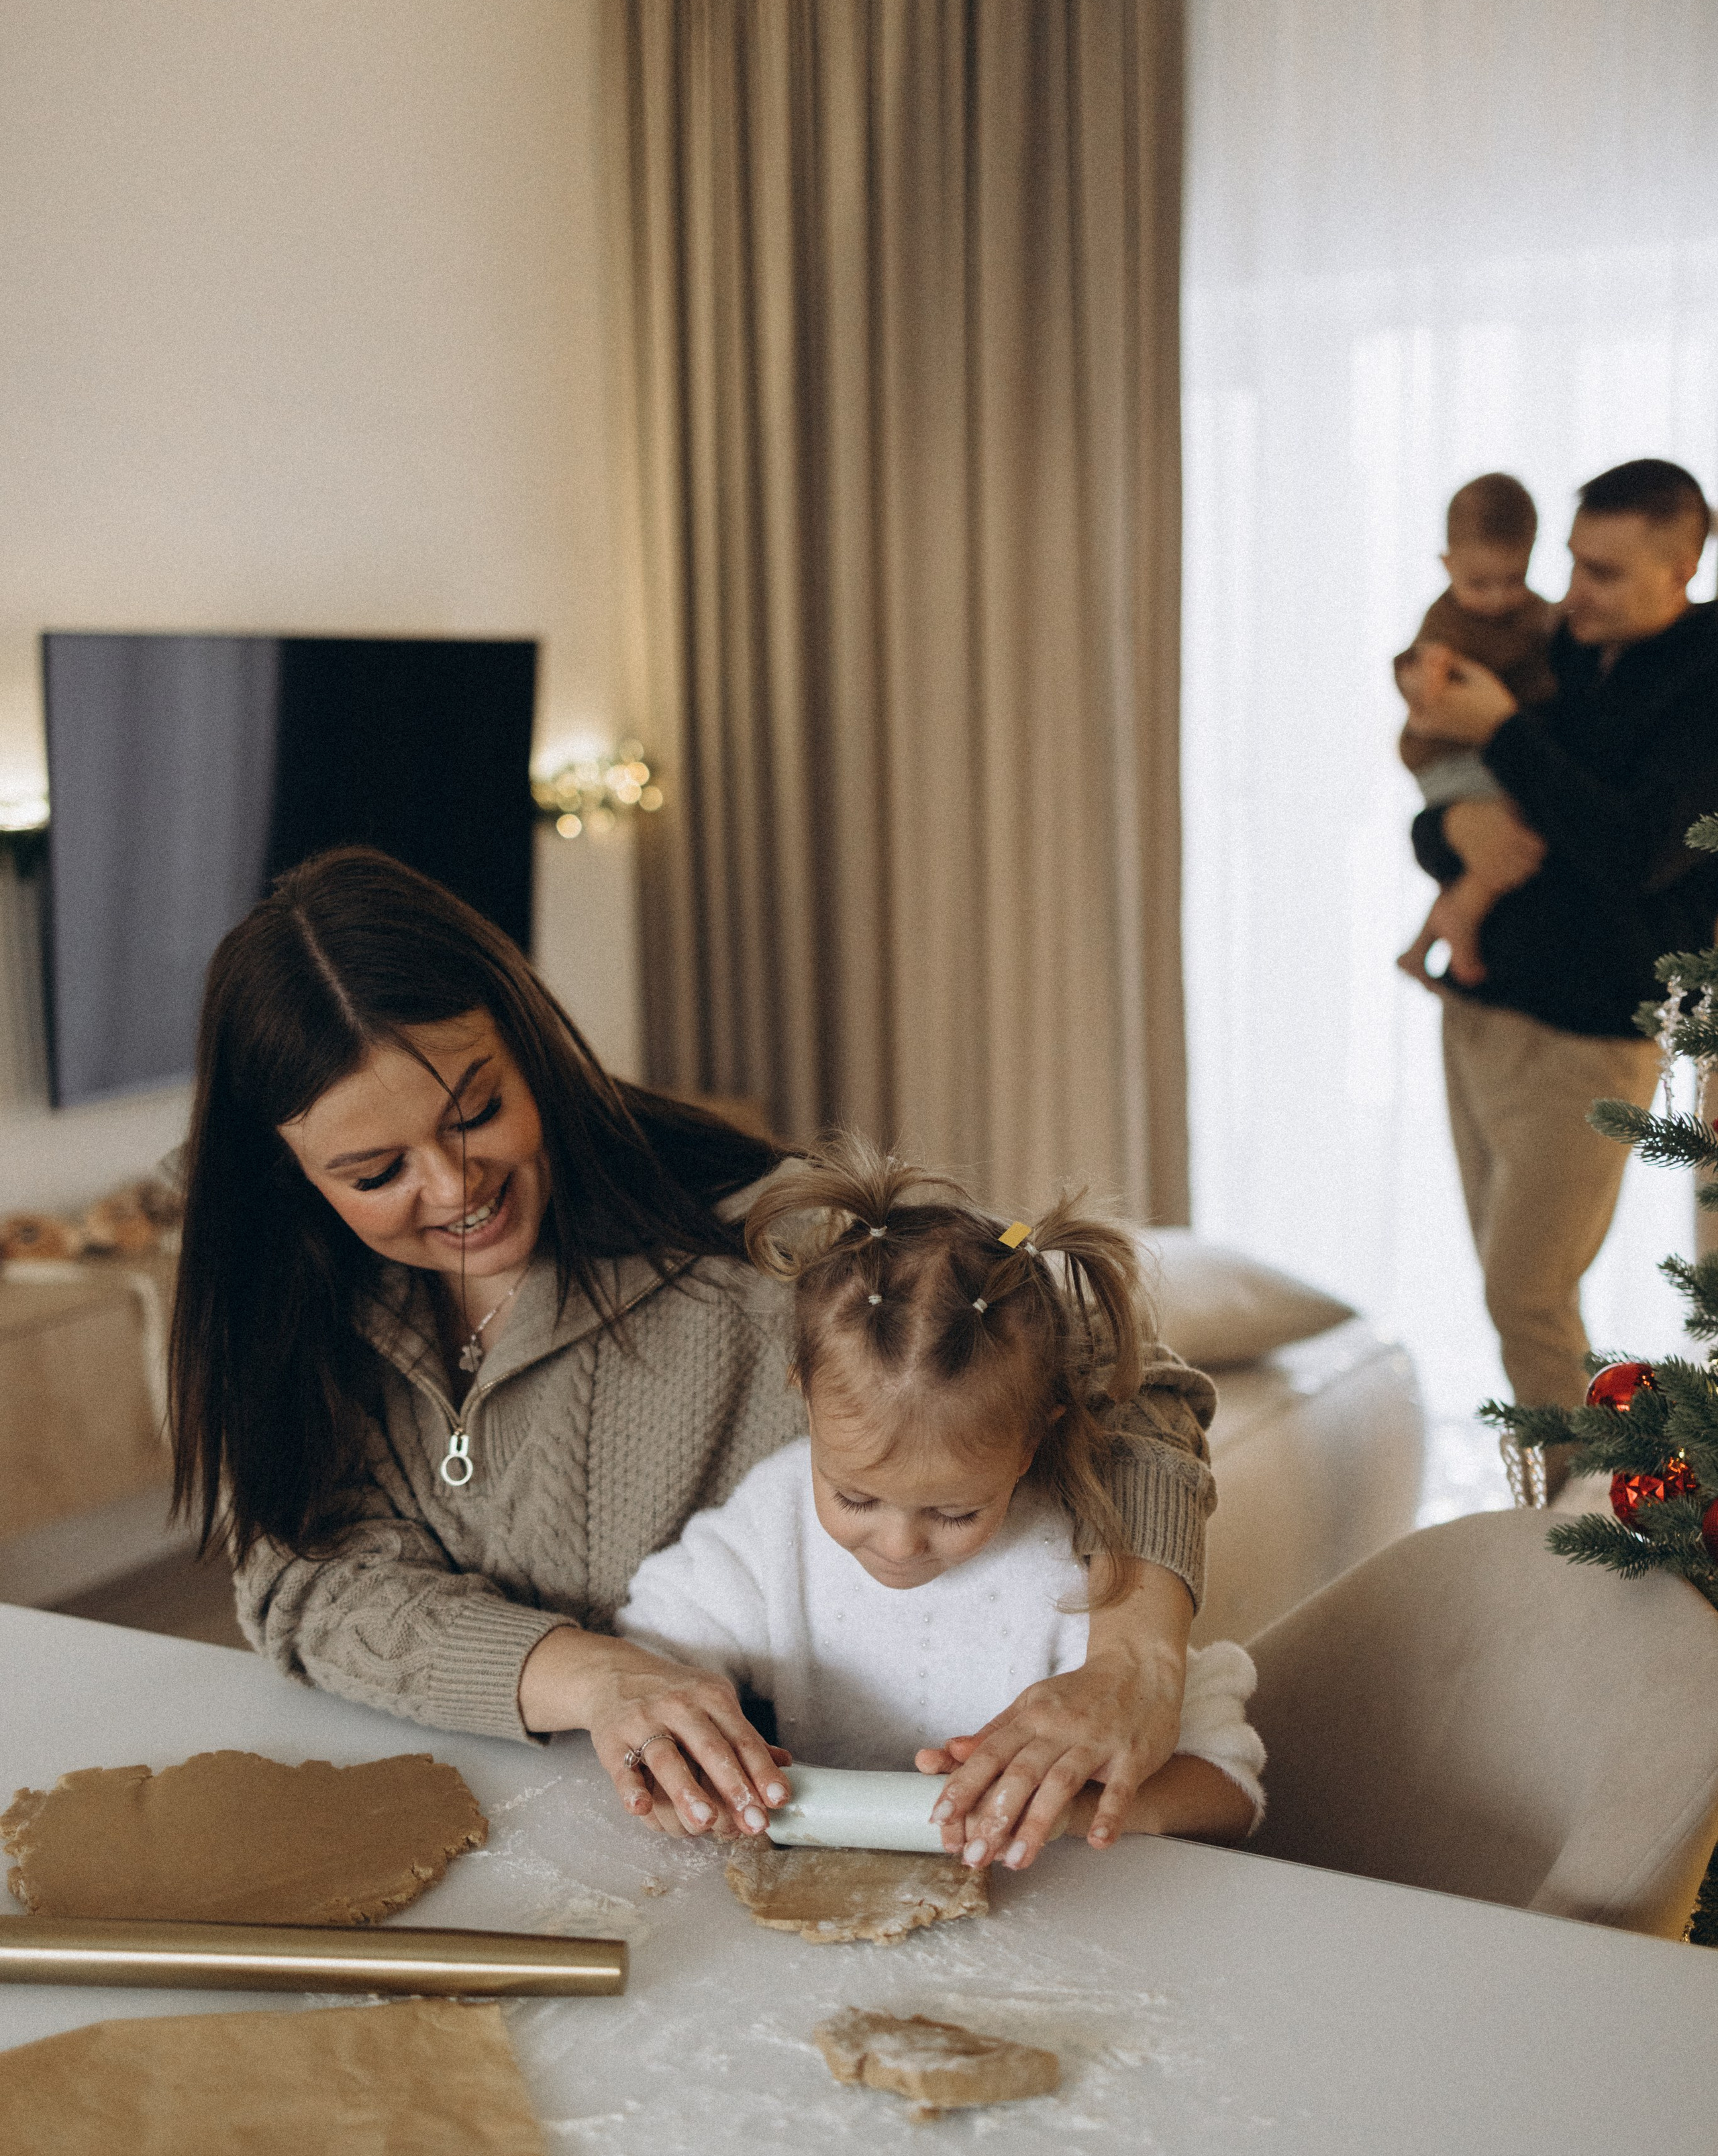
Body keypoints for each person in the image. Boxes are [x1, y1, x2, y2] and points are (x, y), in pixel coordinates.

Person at [171, 847, 1218, 1867]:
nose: (452, 1189)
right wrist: (593, 1677)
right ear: (289, 1177)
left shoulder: (757, 1247)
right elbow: (306, 1587)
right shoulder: (290, 1315)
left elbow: (1127, 1382)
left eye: (479, 1111)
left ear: (531, 1045)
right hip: (467, 1815)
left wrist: (1137, 1653)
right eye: (375, 1171)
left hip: (723, 1850)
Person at [621, 1139, 1263, 1863]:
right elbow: (644, 1658)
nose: (898, 1545)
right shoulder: (773, 1521)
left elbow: (1227, 1791)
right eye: (854, 1496)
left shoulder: (1091, 1559)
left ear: (1030, 1442)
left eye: (955, 1513)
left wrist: (1069, 1809)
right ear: (805, 1399)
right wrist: (677, 1749)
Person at [1398, 458, 1718, 1470]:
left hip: (1593, 1036)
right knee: (1518, 1297)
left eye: (1605, 573)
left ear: (1684, 566)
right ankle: (1587, 1511)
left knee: (1524, 1293)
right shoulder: (1567, 656)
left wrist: (1499, 731)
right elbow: (1444, 821)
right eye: (1573, 563)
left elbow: (1638, 851)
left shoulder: (1706, 678)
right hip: (1483, 1008)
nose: (1571, 592)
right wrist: (1454, 826)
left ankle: (1608, 1509)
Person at [1395, 472, 1560, 988]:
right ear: (1448, 565)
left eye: (1513, 580)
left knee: (1507, 833)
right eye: (1479, 584)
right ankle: (1461, 923)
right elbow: (1408, 669)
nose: (1497, 598)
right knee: (1515, 830)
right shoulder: (1444, 622)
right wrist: (1425, 677)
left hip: (1489, 753)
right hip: (1447, 757)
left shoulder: (1536, 613)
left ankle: (1421, 946)